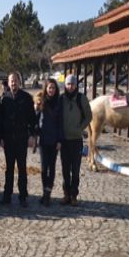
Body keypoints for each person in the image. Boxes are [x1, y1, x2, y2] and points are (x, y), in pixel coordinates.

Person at [0, 72, 37, 207]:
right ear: (8, 83)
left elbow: (33, 119)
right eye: (11, 81)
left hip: (22, 139)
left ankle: (23, 196)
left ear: (19, 82)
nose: (13, 83)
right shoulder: (4, 99)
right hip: (8, 140)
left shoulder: (27, 98)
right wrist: (1, 138)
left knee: (22, 168)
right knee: (9, 169)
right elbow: (1, 121)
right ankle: (7, 195)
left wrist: (32, 135)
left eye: (15, 81)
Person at [59, 75, 92, 206]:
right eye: (68, 84)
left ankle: (74, 195)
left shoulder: (81, 98)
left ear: (76, 86)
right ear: (65, 85)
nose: (70, 86)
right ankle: (66, 194)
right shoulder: (61, 99)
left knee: (76, 169)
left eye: (72, 84)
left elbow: (89, 116)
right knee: (65, 169)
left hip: (76, 140)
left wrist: (81, 128)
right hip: (64, 140)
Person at [34, 79, 62, 207]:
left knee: (52, 168)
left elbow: (62, 124)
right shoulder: (41, 102)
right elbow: (36, 120)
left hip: (55, 140)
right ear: (46, 88)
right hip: (43, 140)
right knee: (44, 169)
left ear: (56, 90)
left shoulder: (59, 103)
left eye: (53, 88)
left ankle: (47, 195)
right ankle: (45, 192)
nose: (51, 90)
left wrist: (60, 140)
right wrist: (36, 109)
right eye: (49, 88)